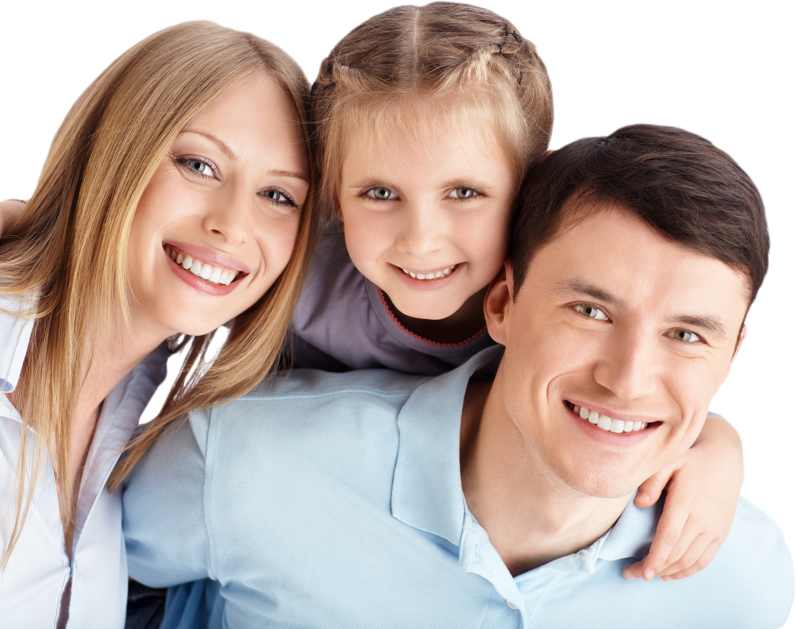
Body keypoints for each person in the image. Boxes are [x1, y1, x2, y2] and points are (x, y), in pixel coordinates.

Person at [0, 3, 748, 583]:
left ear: (528, 194)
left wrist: (716, 444)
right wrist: (25, 222)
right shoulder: (300, 270)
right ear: (331, 200)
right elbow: (174, 242)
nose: (420, 240)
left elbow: (633, 377)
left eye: (464, 192)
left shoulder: (551, 312)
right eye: (379, 193)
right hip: (255, 505)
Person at [122, 123, 792, 629]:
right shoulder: (237, 460)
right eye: (590, 311)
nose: (628, 380)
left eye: (686, 334)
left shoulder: (744, 585)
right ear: (502, 304)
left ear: (733, 354)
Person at [0, 20, 316, 628]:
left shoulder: (140, 454)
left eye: (278, 196)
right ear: (116, 153)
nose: (232, 225)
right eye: (199, 164)